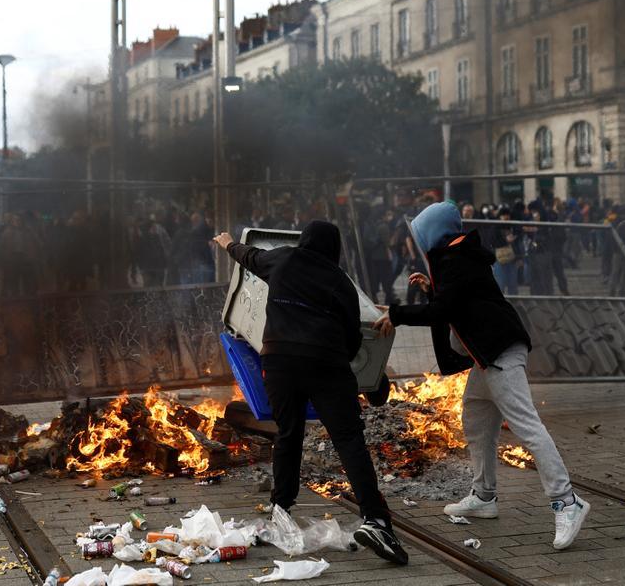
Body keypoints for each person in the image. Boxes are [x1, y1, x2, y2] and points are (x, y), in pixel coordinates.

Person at [383, 201, 589, 551]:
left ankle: (567, 501)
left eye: (419, 235)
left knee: (528, 428)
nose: (416, 243)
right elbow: (459, 301)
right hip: (488, 355)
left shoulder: (455, 261)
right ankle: (484, 496)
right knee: (476, 418)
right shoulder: (459, 257)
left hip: (498, 353)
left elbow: (445, 309)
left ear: (433, 233)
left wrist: (397, 314)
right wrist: (433, 290)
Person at [212, 221, 408, 566]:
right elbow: (352, 341)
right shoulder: (340, 282)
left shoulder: (284, 259)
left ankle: (281, 509)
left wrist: (228, 244)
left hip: (280, 362)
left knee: (288, 435)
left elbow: (251, 257)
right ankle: (375, 521)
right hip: (327, 365)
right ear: (335, 250)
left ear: (304, 241)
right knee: (349, 440)